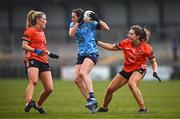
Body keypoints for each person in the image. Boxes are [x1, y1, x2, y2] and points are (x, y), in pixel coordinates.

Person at [96, 25, 161, 113]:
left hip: (139, 69)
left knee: (131, 84)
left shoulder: (147, 48)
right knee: (110, 89)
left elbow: (153, 62)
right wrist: (97, 42)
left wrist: (155, 71)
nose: (128, 35)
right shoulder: (125, 43)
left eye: (131, 34)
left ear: (138, 36)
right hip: (126, 69)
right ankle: (104, 108)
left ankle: (143, 109)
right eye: (129, 33)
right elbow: (112, 47)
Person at [69, 8, 110, 113]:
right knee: (77, 80)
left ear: (79, 16)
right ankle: (91, 102)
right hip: (81, 55)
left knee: (83, 73)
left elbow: (106, 29)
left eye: (74, 16)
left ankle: (92, 97)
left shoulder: (90, 23)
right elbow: (71, 34)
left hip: (92, 53)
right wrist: (77, 22)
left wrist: (98, 19)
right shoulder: (73, 24)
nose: (72, 18)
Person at [22, 10, 59, 114]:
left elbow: (41, 48)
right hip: (32, 58)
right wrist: (35, 50)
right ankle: (28, 102)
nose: (46, 21)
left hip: (43, 60)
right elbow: (24, 45)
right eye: (44, 19)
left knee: (49, 88)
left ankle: (38, 105)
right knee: (33, 81)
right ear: (38, 20)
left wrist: (50, 53)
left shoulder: (42, 32)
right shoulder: (29, 31)